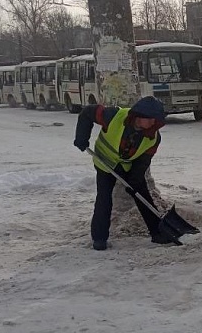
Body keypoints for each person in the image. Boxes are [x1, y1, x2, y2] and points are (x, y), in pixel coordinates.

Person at [73, 96, 175, 250]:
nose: (154, 123)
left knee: (142, 194)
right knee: (104, 198)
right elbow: (87, 112)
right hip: (105, 163)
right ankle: (99, 239)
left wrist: (134, 179)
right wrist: (82, 136)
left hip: (129, 166)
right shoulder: (113, 116)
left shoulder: (153, 138)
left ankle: (158, 233)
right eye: (152, 119)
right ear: (140, 116)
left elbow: (143, 161)